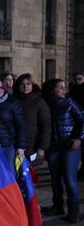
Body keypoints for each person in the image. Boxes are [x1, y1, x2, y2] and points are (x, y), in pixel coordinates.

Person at [41, 78, 84, 223]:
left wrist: (79, 138)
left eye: (64, 87)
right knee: (55, 178)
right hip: (53, 146)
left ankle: (74, 211)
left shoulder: (69, 102)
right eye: (60, 87)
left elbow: (82, 119)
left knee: (69, 178)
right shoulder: (46, 103)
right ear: (52, 89)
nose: (64, 90)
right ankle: (57, 206)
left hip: (69, 146)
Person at [13, 73, 51, 160]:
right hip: (16, 145)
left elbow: (46, 125)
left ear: (32, 85)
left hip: (33, 145)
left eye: (28, 84)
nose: (25, 86)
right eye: (22, 84)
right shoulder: (13, 101)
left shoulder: (39, 102)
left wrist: (42, 147)